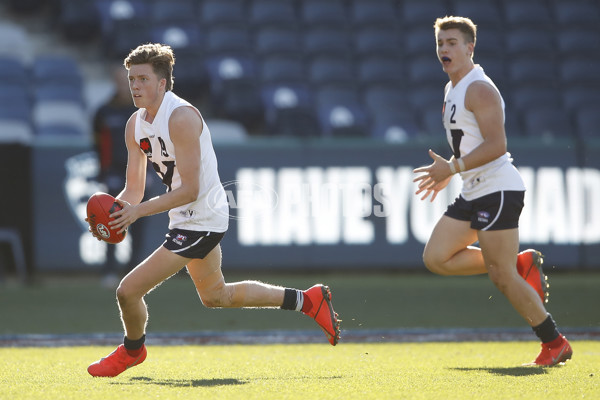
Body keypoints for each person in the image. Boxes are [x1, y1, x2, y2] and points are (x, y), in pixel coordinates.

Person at [86, 43, 341, 378]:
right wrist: (117, 213)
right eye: (132, 78)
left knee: (127, 291)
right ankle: (307, 300)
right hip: (187, 216)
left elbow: (190, 189)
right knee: (216, 296)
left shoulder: (181, 117)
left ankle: (132, 351)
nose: (135, 85)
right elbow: (133, 189)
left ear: (163, 83)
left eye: (143, 79)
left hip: (202, 216)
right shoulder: (135, 124)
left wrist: (137, 213)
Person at [412, 16, 572, 367]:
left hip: (498, 189)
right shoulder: (451, 88)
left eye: (452, 43)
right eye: (440, 43)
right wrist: (450, 172)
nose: (444, 49)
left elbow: (497, 145)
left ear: (470, 47)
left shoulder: (479, 88)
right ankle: (517, 263)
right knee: (436, 257)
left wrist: (451, 168)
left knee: (501, 277)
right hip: (475, 189)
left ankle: (554, 342)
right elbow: (471, 143)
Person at [92, 64, 140, 288]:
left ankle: (133, 271)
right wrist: (102, 170)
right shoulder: (104, 111)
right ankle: (109, 269)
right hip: (113, 172)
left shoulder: (142, 110)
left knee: (138, 221)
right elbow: (97, 143)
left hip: (139, 173)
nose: (124, 85)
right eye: (120, 80)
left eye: (128, 80)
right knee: (110, 220)